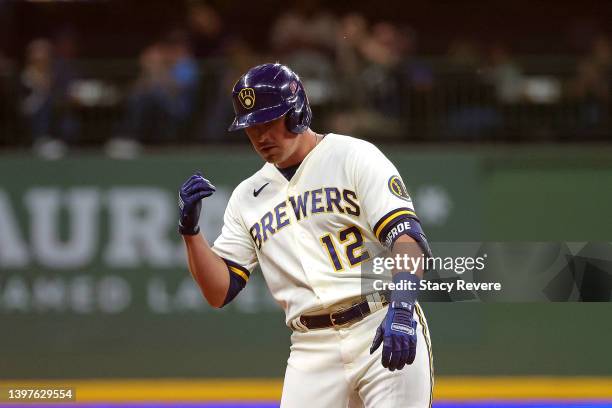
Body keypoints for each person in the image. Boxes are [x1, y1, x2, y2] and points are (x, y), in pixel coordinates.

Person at [178, 63, 433, 407]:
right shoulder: (246, 196)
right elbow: (218, 291)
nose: (260, 137)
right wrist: (191, 234)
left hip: (380, 320)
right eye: (251, 127)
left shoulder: (353, 156)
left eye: (269, 122)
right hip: (310, 348)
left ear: (296, 112)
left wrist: (403, 307)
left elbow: (406, 239)